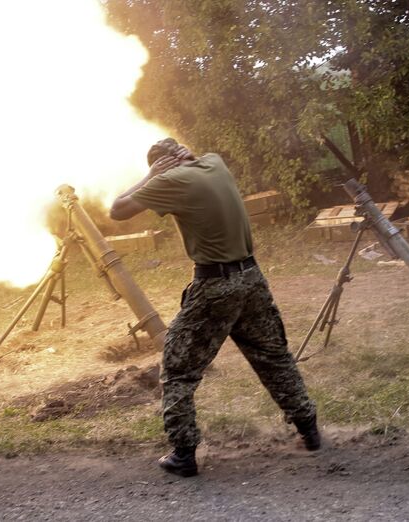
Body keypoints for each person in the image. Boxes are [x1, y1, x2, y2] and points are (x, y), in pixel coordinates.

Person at [109, 138, 319, 478]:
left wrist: (149, 175)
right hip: (251, 278)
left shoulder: (168, 180)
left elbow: (117, 210)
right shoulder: (214, 162)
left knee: (177, 368)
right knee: (273, 357)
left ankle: (183, 454)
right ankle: (309, 429)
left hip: (215, 286)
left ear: (162, 163)